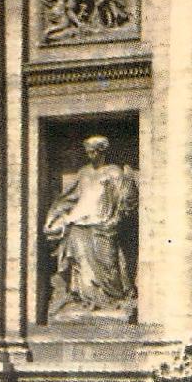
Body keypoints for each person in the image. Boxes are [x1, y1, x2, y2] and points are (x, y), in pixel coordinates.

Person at [43, 136, 138, 317]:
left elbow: (126, 199)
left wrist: (116, 217)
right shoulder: (83, 172)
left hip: (104, 224)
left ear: (102, 151)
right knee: (80, 262)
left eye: (94, 151)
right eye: (88, 152)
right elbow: (69, 197)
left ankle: (113, 299)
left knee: (108, 262)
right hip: (79, 222)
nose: (91, 155)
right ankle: (85, 299)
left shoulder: (114, 172)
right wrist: (56, 216)